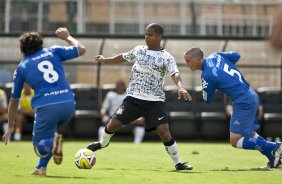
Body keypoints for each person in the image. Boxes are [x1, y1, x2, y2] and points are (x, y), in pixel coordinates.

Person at [87, 23, 193, 170]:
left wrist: (180, 87)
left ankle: (178, 163)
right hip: (133, 99)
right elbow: (122, 57)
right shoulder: (139, 50)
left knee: (164, 133)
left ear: (159, 36)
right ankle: (103, 143)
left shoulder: (166, 57)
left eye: (150, 34)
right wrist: (105, 60)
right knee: (112, 125)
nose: (146, 37)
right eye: (146, 34)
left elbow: (175, 74)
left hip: (155, 101)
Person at [2, 27, 86, 176]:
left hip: (47, 107)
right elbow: (81, 49)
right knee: (48, 135)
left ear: (22, 49)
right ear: (41, 44)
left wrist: (10, 127)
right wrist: (68, 37)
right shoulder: (53, 51)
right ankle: (41, 168)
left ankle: (53, 140)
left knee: (39, 146)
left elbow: (14, 100)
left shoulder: (22, 67)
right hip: (68, 103)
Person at [184, 47, 282, 169]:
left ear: (198, 59)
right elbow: (236, 55)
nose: (186, 64)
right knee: (251, 135)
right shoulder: (216, 56)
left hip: (243, 101)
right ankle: (274, 160)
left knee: (235, 140)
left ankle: (275, 146)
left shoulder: (206, 75)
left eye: (188, 61)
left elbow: (207, 99)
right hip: (250, 95)